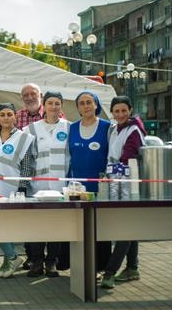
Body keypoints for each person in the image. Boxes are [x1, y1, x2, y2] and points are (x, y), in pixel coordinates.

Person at [0, 103, 35, 278]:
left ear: (15, 117)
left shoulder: (24, 138)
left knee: (6, 226)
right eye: (2, 114)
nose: (6, 117)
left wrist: (22, 188)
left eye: (9, 114)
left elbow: (27, 166)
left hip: (11, 189)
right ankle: (12, 257)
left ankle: (9, 261)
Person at [101, 96, 146, 289]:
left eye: (123, 111)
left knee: (124, 228)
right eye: (116, 111)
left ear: (130, 109)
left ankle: (110, 272)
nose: (120, 114)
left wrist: (112, 173)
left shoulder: (134, 130)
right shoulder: (115, 129)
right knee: (130, 226)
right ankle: (132, 268)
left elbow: (128, 158)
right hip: (116, 184)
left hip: (129, 186)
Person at [24, 91, 70, 278]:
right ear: (44, 104)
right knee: (37, 226)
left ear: (61, 106)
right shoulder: (31, 129)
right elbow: (27, 159)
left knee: (55, 227)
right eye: (50, 103)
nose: (53, 106)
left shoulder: (69, 127)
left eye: (57, 103)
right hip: (38, 187)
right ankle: (36, 262)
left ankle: (51, 262)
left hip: (61, 187)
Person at [67, 91, 111, 272]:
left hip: (99, 187)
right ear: (77, 108)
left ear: (96, 105)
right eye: (82, 103)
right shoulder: (72, 128)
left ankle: (101, 267)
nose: (86, 106)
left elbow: (111, 156)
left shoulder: (107, 127)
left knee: (101, 229)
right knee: (79, 229)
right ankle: (80, 266)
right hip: (77, 188)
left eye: (89, 102)